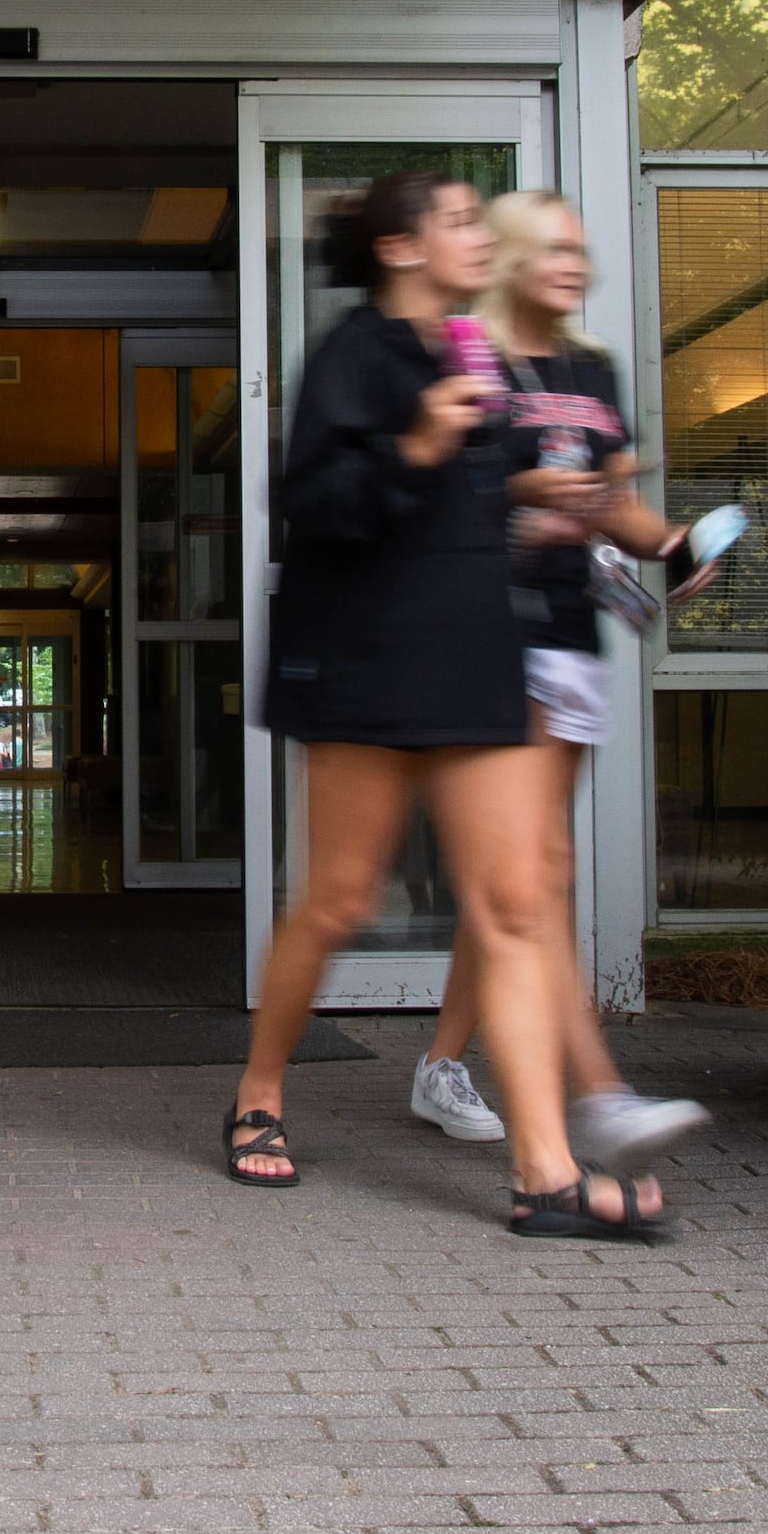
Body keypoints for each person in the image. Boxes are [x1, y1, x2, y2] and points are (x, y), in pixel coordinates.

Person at [220, 168, 649, 1237]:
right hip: (369, 663)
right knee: (337, 899)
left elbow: (491, 487)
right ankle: (259, 1090)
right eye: (460, 219)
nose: (479, 235)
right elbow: (311, 505)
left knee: (510, 903)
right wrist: (413, 444)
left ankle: (542, 1169)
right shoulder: (355, 353)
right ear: (403, 246)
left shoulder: (478, 350)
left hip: (476, 656)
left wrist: (548, 506)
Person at [403, 193, 717, 1187]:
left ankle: (443, 1062)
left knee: (518, 874)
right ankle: (597, 1091)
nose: (577, 264)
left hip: (576, 631)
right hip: (495, 626)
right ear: (516, 259)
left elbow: (614, 496)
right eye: (558, 249)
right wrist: (534, 495)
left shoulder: (592, 368)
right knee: (534, 867)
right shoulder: (469, 357)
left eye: (584, 248)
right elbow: (449, 489)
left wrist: (670, 543)